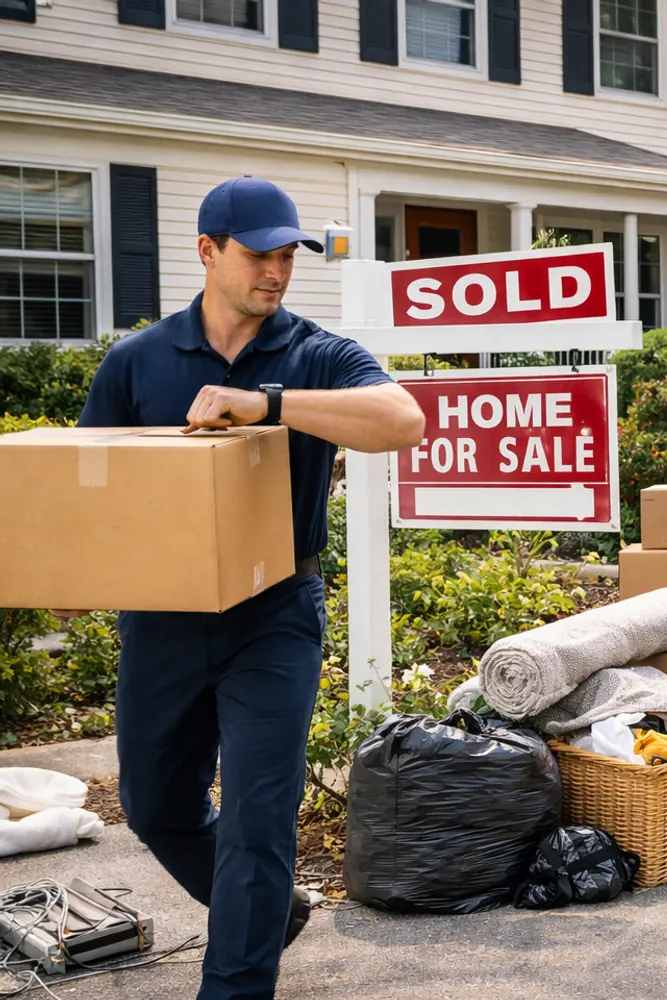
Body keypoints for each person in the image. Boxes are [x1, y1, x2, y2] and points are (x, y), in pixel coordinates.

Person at [58, 177, 425, 1000]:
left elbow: (403, 421)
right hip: (163, 618)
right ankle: (267, 913)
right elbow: (89, 489)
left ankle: (235, 983)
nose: (276, 269)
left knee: (259, 817)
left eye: (286, 253)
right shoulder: (138, 361)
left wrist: (267, 404)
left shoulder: (314, 354)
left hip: (274, 617)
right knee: (155, 806)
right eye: (258, 253)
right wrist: (73, 579)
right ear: (207, 252)